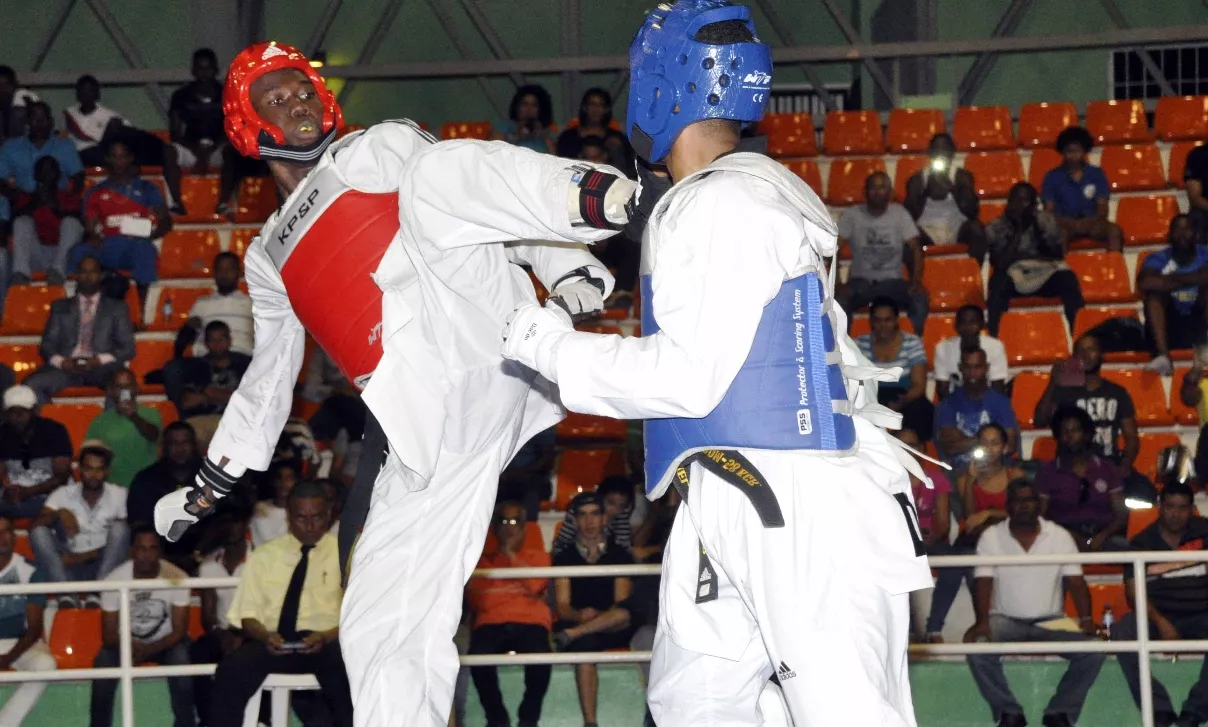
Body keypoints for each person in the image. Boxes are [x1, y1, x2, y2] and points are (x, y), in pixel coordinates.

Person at [152, 41, 633, 727]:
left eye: (304, 89)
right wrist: (211, 484)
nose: (299, 103)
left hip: (483, 335)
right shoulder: (267, 256)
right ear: (247, 125)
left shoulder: (373, 150)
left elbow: (476, 190)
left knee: (429, 164)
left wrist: (564, 266)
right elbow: (268, 379)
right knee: (379, 611)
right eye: (277, 99)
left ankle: (597, 194)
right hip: (425, 420)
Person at [500, 4, 933, 724]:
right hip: (731, 488)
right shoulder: (736, 196)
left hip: (795, 496)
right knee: (692, 705)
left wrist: (543, 341)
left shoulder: (726, 202)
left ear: (663, 87)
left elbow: (685, 377)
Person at [210, 481, 352, 727]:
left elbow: (359, 618)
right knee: (231, 669)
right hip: (273, 642)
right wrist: (266, 637)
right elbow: (248, 617)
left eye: (317, 517)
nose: (310, 525)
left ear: (329, 514)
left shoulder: (346, 556)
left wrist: (326, 636)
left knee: (348, 669)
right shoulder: (263, 556)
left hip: (328, 642)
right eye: (301, 518)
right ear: (288, 517)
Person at [964, 479, 1104, 727]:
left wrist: (1086, 620)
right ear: (1008, 506)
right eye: (1018, 500)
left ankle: (1060, 712)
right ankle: (1008, 712)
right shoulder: (991, 536)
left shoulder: (1059, 536)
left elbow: (1076, 582)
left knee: (1094, 650)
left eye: (1029, 500)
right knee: (977, 646)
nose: (1024, 505)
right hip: (1005, 620)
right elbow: (983, 582)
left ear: (1038, 504)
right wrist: (982, 622)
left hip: (1052, 621)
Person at [1113, 483, 1208, 727]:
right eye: (1170, 507)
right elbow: (1133, 593)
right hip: (1158, 614)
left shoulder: (1205, 533)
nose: (1176, 514)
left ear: (1192, 509)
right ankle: (1159, 710)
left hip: (1202, 612)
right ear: (1159, 507)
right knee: (1122, 632)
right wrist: (1161, 622)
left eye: (1182, 508)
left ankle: (1195, 712)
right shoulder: (1142, 542)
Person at [91, 526, 193, 727]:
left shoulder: (177, 577)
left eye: (152, 548)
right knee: (102, 665)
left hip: (166, 643)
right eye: (141, 548)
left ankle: (186, 724)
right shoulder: (113, 580)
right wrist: (131, 647)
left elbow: (179, 632)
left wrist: (149, 649)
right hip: (123, 643)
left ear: (160, 552)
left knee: (182, 662)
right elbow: (109, 635)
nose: (146, 555)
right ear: (132, 551)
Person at [1034, 332, 1153, 499]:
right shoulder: (1063, 392)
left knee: (1147, 493)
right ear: (1074, 358)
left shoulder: (1117, 392)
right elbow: (1039, 420)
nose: (1086, 355)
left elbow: (1131, 436)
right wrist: (1053, 382)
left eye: (1091, 349)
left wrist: (1125, 465)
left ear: (1101, 355)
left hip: (1109, 466)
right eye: (1080, 351)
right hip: (1072, 468)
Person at [551, 493, 634, 727]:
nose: (589, 522)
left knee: (625, 614)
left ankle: (573, 634)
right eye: (583, 515)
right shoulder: (564, 557)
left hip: (612, 625)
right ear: (575, 520)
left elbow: (621, 602)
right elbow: (563, 606)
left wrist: (598, 617)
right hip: (579, 624)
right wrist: (579, 616)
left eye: (595, 514)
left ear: (604, 518)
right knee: (584, 647)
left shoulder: (620, 554)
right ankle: (590, 723)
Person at [466, 501, 552, 727]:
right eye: (503, 521)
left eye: (515, 521)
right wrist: (521, 588)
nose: (508, 526)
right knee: (478, 655)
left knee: (541, 657)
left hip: (530, 622)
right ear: (495, 527)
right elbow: (480, 601)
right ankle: (497, 719)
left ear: (524, 527)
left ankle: (528, 718)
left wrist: (511, 555)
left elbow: (536, 586)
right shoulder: (481, 561)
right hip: (491, 623)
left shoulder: (540, 557)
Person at [65, 74, 186, 214]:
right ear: (77, 93)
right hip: (83, 156)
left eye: (90, 90)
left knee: (121, 131)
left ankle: (156, 152)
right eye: (83, 90)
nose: (87, 94)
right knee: (114, 132)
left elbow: (127, 136)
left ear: (97, 93)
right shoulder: (70, 113)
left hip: (107, 152)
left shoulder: (109, 115)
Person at [70, 138, 173, 303]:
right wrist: (92, 237)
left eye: (123, 156)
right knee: (79, 251)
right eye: (114, 156)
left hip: (134, 244)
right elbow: (89, 228)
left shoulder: (147, 188)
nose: (118, 161)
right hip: (107, 245)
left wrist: (151, 234)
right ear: (107, 159)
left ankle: (143, 308)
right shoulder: (95, 191)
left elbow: (166, 221)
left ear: (130, 158)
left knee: (145, 250)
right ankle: (76, 304)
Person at [23, 255, 135, 404]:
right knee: (30, 385)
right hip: (67, 368)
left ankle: (117, 419)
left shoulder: (117, 308)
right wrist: (62, 362)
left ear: (101, 275)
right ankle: (49, 418)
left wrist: (98, 360)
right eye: (83, 272)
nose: (88, 276)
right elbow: (47, 345)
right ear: (76, 276)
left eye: (93, 271)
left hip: (103, 368)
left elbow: (127, 348)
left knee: (124, 385)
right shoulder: (60, 307)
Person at [29, 443, 129, 607]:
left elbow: (128, 541)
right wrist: (59, 513)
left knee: (121, 528)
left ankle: (99, 592)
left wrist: (84, 557)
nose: (94, 475)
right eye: (89, 468)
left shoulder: (120, 495)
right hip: (67, 567)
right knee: (39, 532)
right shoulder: (62, 494)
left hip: (104, 566)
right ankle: (66, 595)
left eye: (99, 469)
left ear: (107, 471)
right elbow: (34, 527)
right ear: (80, 469)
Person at [982, 181, 1084, 336]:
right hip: (1014, 276)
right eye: (1015, 200)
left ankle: (1079, 334)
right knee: (997, 283)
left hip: (1043, 274)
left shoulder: (1045, 220)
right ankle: (994, 337)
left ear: (1034, 205)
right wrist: (1018, 230)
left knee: (1068, 279)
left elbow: (1056, 255)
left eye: (1025, 200)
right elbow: (1000, 263)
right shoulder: (996, 227)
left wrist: (1035, 226)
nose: (1019, 205)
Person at [894, 427, 964, 643]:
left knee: (955, 566)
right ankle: (904, 630)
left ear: (922, 449)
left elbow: (943, 522)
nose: (908, 450)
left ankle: (934, 628)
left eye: (913, 445)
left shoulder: (936, 478)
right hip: (898, 543)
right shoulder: (885, 480)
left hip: (931, 540)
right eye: (901, 445)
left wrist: (932, 536)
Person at [836, 170, 929, 334]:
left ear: (890, 192)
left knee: (919, 298)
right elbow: (832, 249)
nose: (877, 192)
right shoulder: (852, 215)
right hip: (861, 283)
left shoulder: (899, 214)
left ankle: (915, 343)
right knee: (839, 301)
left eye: (882, 187)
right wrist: (837, 283)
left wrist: (916, 282)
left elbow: (916, 248)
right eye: (873, 188)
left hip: (893, 283)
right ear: (865, 192)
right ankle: (842, 346)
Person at [1035, 405, 1129, 552]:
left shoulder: (1108, 469)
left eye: (1075, 430)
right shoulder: (1047, 472)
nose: (1070, 436)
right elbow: (1041, 517)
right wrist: (1069, 536)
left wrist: (1102, 536)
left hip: (1104, 536)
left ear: (1086, 434)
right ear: (1058, 437)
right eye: (1065, 432)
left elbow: (1121, 516)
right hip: (1060, 537)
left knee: (1129, 549)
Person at [128, 422, 210, 574]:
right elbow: (140, 525)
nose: (180, 449)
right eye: (174, 443)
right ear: (164, 447)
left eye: (185, 442)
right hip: (159, 556)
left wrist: (199, 554)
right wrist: (162, 557)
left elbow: (225, 520)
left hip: (207, 554)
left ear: (195, 446)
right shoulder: (146, 479)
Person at [192, 514, 248, 727]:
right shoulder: (209, 566)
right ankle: (208, 720)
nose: (231, 527)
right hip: (222, 631)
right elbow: (208, 615)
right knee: (199, 652)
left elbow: (266, 610)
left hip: (254, 631)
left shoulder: (261, 560)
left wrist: (243, 636)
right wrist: (221, 633)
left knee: (258, 655)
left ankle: (262, 718)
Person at [0, 514, 56, 725]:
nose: (2, 537)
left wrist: (7, 658)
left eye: (7, 531)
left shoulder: (30, 570)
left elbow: (34, 629)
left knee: (46, 664)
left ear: (14, 536)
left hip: (20, 643)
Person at [1137, 214, 1208, 375]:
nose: (1182, 233)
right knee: (1154, 296)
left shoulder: (1205, 253)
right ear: (1169, 234)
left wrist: (1168, 280)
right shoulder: (1158, 257)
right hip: (1170, 325)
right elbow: (1145, 283)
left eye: (1187, 229)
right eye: (1177, 228)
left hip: (1199, 321)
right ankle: (1163, 356)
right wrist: (1196, 277)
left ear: (1196, 234)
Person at [855, 296, 934, 439]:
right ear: (871, 321)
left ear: (896, 320)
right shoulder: (860, 344)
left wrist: (900, 403)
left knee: (922, 410)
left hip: (905, 397)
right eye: (878, 320)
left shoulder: (912, 342)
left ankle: (913, 448)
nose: (883, 325)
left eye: (888, 320)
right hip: (872, 397)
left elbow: (919, 386)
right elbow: (856, 383)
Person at [162, 320, 251, 448]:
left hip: (236, 420)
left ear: (230, 341)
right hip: (202, 421)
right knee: (182, 437)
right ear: (206, 343)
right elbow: (186, 402)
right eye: (212, 340)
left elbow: (249, 401)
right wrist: (224, 396)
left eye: (222, 339)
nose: (217, 344)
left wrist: (205, 394)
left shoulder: (244, 364)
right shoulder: (195, 366)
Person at [0, 101, 84, 231]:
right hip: (25, 203)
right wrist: (15, 197)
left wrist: (68, 200)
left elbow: (78, 177)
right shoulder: (11, 146)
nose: (39, 123)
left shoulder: (65, 145)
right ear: (27, 121)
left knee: (71, 222)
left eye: (43, 118)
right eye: (34, 118)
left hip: (57, 202)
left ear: (51, 121)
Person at [934, 347, 1018, 471]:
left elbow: (1010, 445)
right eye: (967, 367)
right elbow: (950, 447)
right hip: (959, 471)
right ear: (960, 367)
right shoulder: (947, 404)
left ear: (986, 368)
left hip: (995, 470)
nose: (972, 373)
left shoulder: (1001, 402)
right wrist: (991, 440)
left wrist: (965, 441)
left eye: (977, 367)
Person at [1041, 125, 1123, 252]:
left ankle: (1114, 264)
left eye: (1077, 151)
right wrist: (1070, 223)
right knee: (1059, 236)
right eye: (1069, 151)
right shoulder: (1052, 177)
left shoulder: (1096, 174)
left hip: (1093, 223)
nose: (1073, 155)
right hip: (1064, 225)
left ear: (1085, 151)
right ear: (1062, 152)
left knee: (1115, 231)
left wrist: (1089, 222)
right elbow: (1049, 212)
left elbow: (1103, 208)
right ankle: (1061, 265)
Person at [903, 132, 985, 250]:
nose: (940, 154)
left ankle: (978, 263)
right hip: (927, 229)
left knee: (976, 229)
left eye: (945, 149)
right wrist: (924, 193)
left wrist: (954, 190)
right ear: (930, 153)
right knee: (909, 234)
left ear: (952, 153)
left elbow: (973, 212)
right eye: (936, 150)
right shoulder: (917, 179)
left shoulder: (962, 177)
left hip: (956, 228)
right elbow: (909, 216)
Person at [0, 385, 72, 519]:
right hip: (16, 497)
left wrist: (29, 491)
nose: (17, 417)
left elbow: (61, 478)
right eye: (13, 412)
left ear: (35, 410)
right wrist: (7, 492)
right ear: (5, 414)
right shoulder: (3, 434)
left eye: (23, 412)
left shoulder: (55, 431)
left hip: (50, 496)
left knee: (56, 507)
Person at [9, 155, 83, 285]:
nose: (47, 175)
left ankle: (57, 273)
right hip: (37, 254)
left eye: (51, 170)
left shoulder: (68, 198)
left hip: (63, 255)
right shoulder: (27, 198)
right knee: (22, 221)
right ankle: (21, 274)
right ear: (36, 175)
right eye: (43, 171)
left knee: (71, 223)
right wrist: (34, 204)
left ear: (58, 174)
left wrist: (57, 208)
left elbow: (80, 224)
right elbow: (12, 225)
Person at [84, 368, 162, 487]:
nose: (124, 391)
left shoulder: (151, 414)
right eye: (119, 387)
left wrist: (133, 416)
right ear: (110, 390)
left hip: (147, 486)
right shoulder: (99, 422)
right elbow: (90, 456)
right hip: (113, 488)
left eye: (128, 386)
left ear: (136, 388)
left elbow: (154, 435)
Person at [956, 423, 1026, 548]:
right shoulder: (964, 479)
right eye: (984, 443)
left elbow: (1021, 512)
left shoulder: (1014, 475)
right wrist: (970, 482)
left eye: (995, 443)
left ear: (1004, 448)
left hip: (1007, 536)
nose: (989, 448)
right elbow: (969, 516)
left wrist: (989, 513)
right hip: (975, 539)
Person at [933, 304, 1008, 398]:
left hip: (987, 400)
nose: (967, 327)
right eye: (963, 322)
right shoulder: (942, 348)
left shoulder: (995, 346)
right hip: (955, 401)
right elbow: (942, 390)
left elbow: (997, 387)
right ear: (956, 326)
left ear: (982, 325)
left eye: (973, 322)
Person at [551, 474, 635, 556]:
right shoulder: (578, 509)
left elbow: (624, 548)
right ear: (599, 498)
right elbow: (561, 545)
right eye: (610, 503)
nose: (615, 510)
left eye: (621, 506)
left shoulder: (621, 515)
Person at [555, 87, 634, 173]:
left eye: (601, 105)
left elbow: (628, 170)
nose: (596, 109)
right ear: (585, 108)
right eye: (592, 104)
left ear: (606, 109)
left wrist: (615, 151)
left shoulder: (617, 139)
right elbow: (561, 166)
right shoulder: (568, 137)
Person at [493, 85, 556, 154]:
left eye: (534, 105)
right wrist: (517, 136)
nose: (529, 109)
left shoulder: (547, 132)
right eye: (525, 104)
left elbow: (556, 156)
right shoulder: (505, 126)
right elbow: (493, 149)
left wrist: (543, 135)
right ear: (517, 107)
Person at [250, 461, 297, 547]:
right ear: (274, 482)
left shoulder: (301, 510)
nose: (284, 482)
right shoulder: (261, 509)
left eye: (289, 478)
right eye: (279, 478)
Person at [1184, 141, 1208, 243]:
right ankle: (1199, 252)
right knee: (1198, 215)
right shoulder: (1198, 155)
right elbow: (1195, 198)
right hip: (1205, 210)